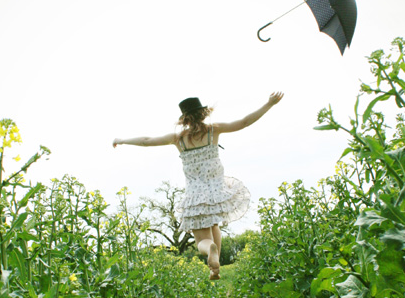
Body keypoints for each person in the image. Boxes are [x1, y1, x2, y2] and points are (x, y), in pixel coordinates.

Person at [112, 92, 284, 280]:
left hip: (195, 195)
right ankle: (214, 269)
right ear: (203, 113)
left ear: (184, 119)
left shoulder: (179, 138)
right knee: (214, 224)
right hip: (217, 192)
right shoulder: (213, 130)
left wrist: (122, 140)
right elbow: (244, 122)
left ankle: (210, 252)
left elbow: (146, 141)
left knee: (202, 240)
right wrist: (269, 104)